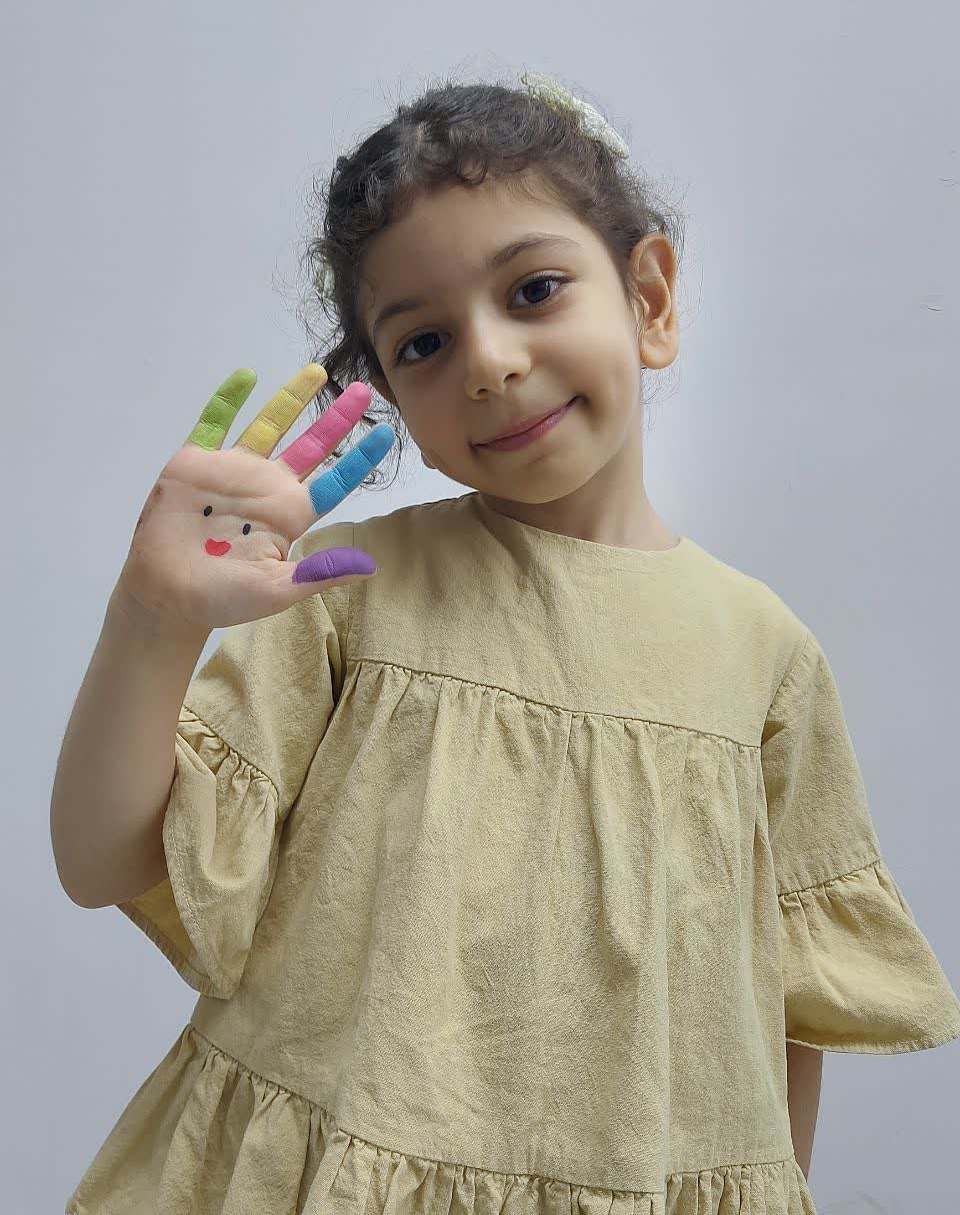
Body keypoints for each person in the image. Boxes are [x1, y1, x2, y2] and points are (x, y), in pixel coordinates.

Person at [52, 71, 960, 1215]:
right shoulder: (347, 593)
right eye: (424, 341)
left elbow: (786, 1006)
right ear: (390, 395)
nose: (486, 360)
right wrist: (153, 620)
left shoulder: (763, 657)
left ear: (650, 296)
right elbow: (101, 862)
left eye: (533, 289)